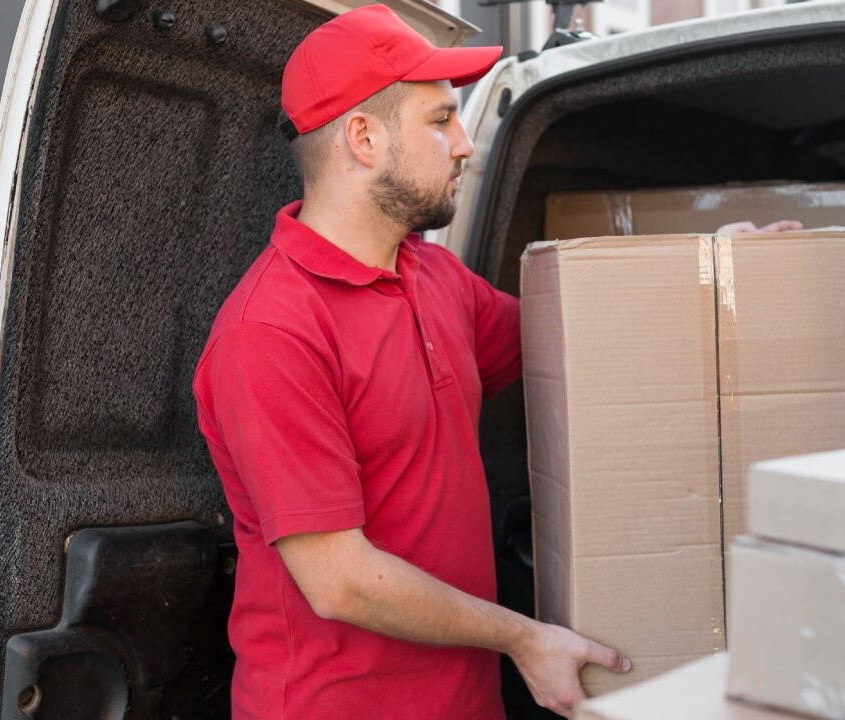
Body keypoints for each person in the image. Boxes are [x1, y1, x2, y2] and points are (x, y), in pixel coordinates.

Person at [192, 6, 629, 718]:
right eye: (439, 121)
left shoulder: (430, 275)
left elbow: (564, 333)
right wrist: (522, 638)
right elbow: (341, 580)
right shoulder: (269, 332)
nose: (463, 145)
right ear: (363, 139)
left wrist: (704, 271)